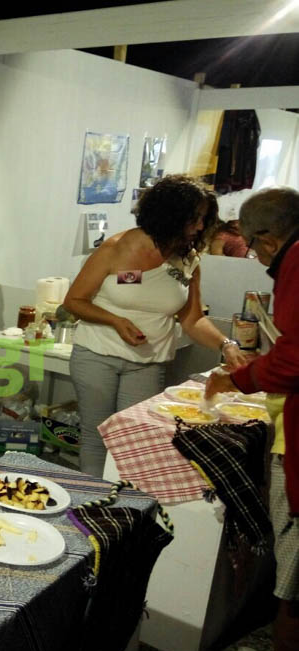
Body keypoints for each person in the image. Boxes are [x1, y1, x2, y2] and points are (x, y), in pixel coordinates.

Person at [63, 174, 247, 477]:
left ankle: (123, 501)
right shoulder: (115, 248)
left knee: (133, 440)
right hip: (97, 357)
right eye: (194, 218)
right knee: (97, 437)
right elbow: (74, 301)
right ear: (169, 214)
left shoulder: (188, 261)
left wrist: (225, 345)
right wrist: (115, 320)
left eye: (204, 219)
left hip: (148, 363)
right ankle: (92, 499)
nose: (200, 226)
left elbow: (192, 318)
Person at [205, 188, 299, 651]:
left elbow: (295, 358)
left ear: (267, 238)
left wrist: (239, 378)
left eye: (255, 247)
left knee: (294, 586)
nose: (257, 259)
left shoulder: (297, 261)